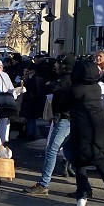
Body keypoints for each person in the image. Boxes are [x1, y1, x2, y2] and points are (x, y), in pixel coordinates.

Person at [59, 59, 104, 206]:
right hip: (100, 128)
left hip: (81, 129)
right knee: (101, 164)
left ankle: (82, 197)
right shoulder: (96, 88)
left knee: (80, 164)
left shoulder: (75, 90)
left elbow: (61, 105)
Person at [27, 54, 76, 196]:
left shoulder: (65, 80)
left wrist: (46, 77)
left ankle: (44, 184)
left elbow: (46, 89)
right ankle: (84, 186)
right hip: (67, 118)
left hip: (65, 119)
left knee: (52, 150)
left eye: (58, 65)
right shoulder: (70, 78)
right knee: (70, 152)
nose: (55, 67)